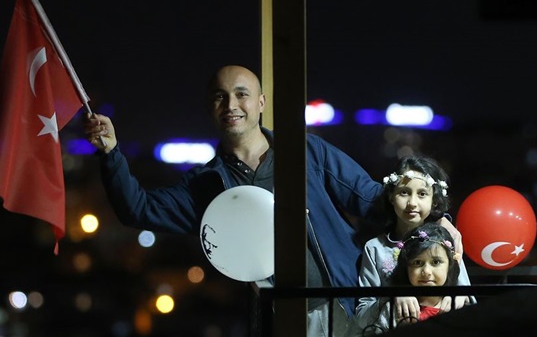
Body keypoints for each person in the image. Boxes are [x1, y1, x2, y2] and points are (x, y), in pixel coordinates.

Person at [83, 65, 464, 336]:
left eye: (241, 94)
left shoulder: (306, 152)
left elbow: (372, 198)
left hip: (345, 306)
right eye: (220, 96)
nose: (231, 103)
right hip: (278, 317)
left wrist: (436, 220)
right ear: (210, 109)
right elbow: (139, 209)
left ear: (261, 102)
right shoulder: (206, 183)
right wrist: (111, 153)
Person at [347, 155, 474, 336]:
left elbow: (470, 300)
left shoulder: (445, 242)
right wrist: (393, 295)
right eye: (404, 192)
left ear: (435, 200)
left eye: (422, 194)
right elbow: (362, 316)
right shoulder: (376, 248)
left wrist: (459, 296)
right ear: (391, 196)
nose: (412, 203)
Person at [352, 222, 463, 335]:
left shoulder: (459, 307)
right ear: (406, 267)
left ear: (450, 265)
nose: (426, 272)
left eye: (436, 262)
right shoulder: (394, 309)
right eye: (417, 262)